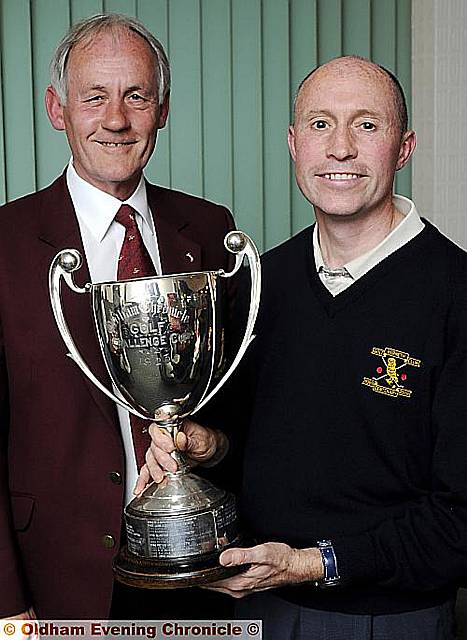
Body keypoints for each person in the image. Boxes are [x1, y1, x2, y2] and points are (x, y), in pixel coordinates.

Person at [142, 56, 467, 639]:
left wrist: (307, 564)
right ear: (294, 144)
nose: (340, 148)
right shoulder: (256, 284)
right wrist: (200, 444)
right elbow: (246, 446)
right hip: (256, 610)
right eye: (320, 124)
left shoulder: (456, 294)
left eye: (366, 125)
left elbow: (460, 519)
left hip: (392, 620)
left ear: (405, 147)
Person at [0, 14, 236, 620]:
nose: (115, 120)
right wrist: (8, 607)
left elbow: (243, 404)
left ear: (162, 109)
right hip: (52, 581)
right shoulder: (4, 241)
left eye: (137, 95)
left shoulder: (209, 230)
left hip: (197, 575)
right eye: (94, 97)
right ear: (57, 109)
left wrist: (208, 444)